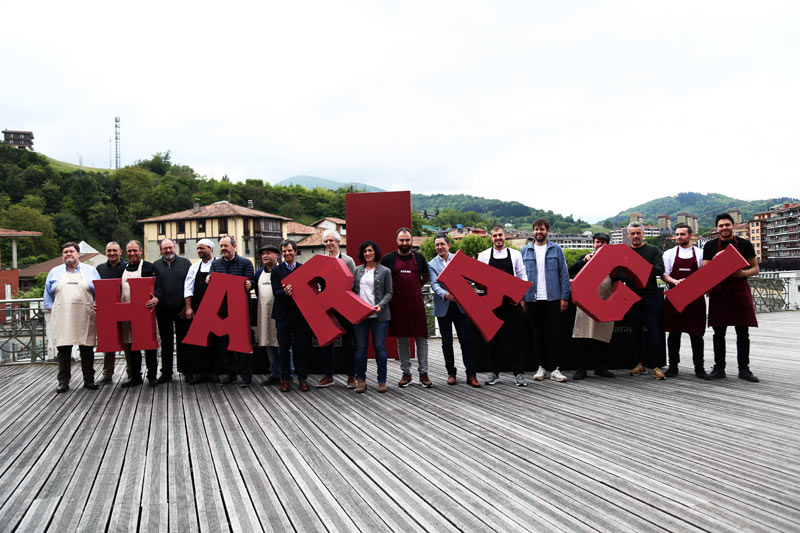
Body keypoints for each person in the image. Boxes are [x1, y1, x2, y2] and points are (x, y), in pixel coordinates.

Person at [702, 213, 760, 382]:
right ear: (717, 228)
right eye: (721, 226)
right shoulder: (710, 246)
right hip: (719, 292)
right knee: (718, 333)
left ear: (733, 225)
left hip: (739, 289)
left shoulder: (745, 244)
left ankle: (744, 369)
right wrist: (716, 260)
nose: (724, 228)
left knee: (743, 332)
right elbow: (705, 271)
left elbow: (756, 269)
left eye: (727, 224)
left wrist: (743, 273)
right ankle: (719, 368)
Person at [44, 242, 100, 393]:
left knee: (87, 349)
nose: (68, 254)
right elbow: (48, 298)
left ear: (78, 254)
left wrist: (97, 303)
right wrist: (53, 311)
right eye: (65, 252)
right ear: (62, 255)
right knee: (63, 350)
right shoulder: (54, 272)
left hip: (86, 315)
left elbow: (100, 293)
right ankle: (63, 381)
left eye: (71, 251)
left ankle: (89, 380)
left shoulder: (91, 271)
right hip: (63, 316)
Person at [477, 225, 529, 386]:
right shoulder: (484, 256)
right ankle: (494, 372)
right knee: (493, 339)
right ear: (491, 238)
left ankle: (519, 373)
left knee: (516, 339)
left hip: (512, 303)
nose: (498, 238)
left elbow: (522, 276)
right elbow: (479, 280)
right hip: (492, 304)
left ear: (505, 236)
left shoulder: (515, 254)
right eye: (495, 236)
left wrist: (520, 297)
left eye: (500, 235)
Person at [521, 218, 571, 383]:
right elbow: (519, 277)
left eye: (541, 229)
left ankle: (555, 368)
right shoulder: (525, 251)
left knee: (555, 334)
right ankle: (542, 367)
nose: (538, 232)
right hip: (532, 299)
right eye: (536, 229)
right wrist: (522, 298)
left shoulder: (556, 250)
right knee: (538, 334)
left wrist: (564, 297)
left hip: (553, 298)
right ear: (533, 231)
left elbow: (564, 274)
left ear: (547, 231)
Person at [380, 227, 431, 388]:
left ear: (412, 241)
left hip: (416, 304)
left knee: (421, 340)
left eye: (407, 240)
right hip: (397, 305)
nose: (404, 243)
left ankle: (424, 373)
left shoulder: (420, 258)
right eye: (401, 240)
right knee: (402, 340)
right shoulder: (388, 259)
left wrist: (415, 287)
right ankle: (406, 373)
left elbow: (426, 276)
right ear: (396, 241)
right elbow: (382, 279)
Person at [428, 234, 480, 387]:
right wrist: (445, 295)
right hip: (444, 305)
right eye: (437, 245)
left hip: (460, 306)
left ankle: (471, 375)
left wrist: (466, 284)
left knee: (466, 340)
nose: (439, 247)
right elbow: (434, 284)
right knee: (446, 342)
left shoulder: (458, 260)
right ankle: (451, 373)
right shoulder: (431, 264)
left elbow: (469, 278)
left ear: (449, 245)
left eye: (442, 244)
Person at [621, 223, 666, 380]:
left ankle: (656, 366)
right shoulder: (625, 253)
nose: (635, 236)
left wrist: (640, 267)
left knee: (654, 331)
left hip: (651, 296)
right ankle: (640, 364)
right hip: (632, 296)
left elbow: (660, 270)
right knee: (636, 332)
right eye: (632, 233)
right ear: (628, 235)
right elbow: (620, 274)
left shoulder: (653, 250)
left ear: (643, 233)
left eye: (638, 233)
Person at [661, 224, 707, 378]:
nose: (679, 237)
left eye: (682, 234)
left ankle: (699, 367)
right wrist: (675, 281)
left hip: (695, 299)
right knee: (673, 334)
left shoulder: (700, 253)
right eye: (677, 234)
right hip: (675, 297)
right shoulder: (669, 254)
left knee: (696, 334)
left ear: (691, 236)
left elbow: (705, 275)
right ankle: (673, 366)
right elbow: (664, 275)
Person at [569, 233, 616, 380]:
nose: (600, 244)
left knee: (602, 337)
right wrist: (584, 261)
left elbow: (622, 277)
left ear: (607, 245)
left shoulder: (614, 262)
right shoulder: (585, 257)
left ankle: (600, 367)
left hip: (605, 302)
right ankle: (581, 368)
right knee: (582, 336)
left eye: (603, 242)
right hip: (585, 304)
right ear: (593, 244)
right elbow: (571, 270)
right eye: (597, 242)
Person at [209, 235, 255, 386]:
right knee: (225, 345)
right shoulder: (215, 265)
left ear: (234, 246)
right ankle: (231, 374)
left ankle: (246, 377)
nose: (223, 249)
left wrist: (250, 284)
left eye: (226, 246)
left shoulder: (246, 263)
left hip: (240, 310)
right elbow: (212, 284)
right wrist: (209, 280)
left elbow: (251, 281)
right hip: (222, 311)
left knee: (243, 345)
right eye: (221, 246)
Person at [317, 229, 357, 389]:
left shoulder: (348, 261)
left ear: (338, 242)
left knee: (349, 343)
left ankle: (351, 376)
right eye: (326, 241)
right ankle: (328, 375)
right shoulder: (320, 261)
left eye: (331, 241)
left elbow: (354, 283)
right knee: (327, 342)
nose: (328, 244)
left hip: (344, 307)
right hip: (327, 307)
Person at [271, 239, 313, 392]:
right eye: (284, 251)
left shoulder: (303, 269)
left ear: (295, 251)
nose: (287, 253)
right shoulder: (276, 270)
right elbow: (276, 292)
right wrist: (285, 292)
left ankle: (302, 378)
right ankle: (285, 380)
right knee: (283, 349)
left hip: (300, 315)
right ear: (281, 253)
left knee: (301, 348)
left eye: (290, 250)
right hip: (283, 315)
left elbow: (309, 291)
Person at [352, 241, 393, 393]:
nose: (367, 253)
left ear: (375, 252)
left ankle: (381, 380)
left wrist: (380, 305)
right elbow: (352, 291)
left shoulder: (385, 271)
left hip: (379, 316)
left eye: (370, 251)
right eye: (365, 251)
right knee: (361, 349)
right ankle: (361, 380)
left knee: (379, 347)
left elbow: (389, 292)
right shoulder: (357, 271)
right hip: (360, 317)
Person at [120, 240, 160, 388]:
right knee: (132, 347)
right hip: (127, 313)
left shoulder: (149, 267)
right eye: (129, 251)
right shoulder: (122, 269)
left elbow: (159, 286)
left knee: (149, 347)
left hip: (145, 312)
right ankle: (135, 376)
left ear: (141, 251)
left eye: (134, 251)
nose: (132, 254)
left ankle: (152, 376)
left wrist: (157, 298)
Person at [152, 238, 192, 383]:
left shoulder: (185, 263)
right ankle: (166, 373)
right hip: (163, 311)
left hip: (181, 309)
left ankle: (187, 370)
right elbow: (156, 287)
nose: (168, 250)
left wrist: (187, 306)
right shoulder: (155, 266)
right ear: (161, 250)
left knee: (184, 342)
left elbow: (190, 286)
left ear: (174, 247)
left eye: (170, 247)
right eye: (164, 248)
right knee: (166, 343)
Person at [183, 239, 216, 384]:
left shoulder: (219, 264)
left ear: (210, 248)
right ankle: (200, 372)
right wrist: (188, 307)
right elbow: (188, 288)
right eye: (198, 249)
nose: (200, 251)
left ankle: (214, 371)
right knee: (198, 343)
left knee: (215, 342)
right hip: (197, 307)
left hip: (215, 308)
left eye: (202, 248)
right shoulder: (194, 267)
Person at [95, 241, 126, 384]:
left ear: (120, 252)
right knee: (108, 344)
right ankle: (107, 374)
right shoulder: (99, 269)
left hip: (125, 308)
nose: (112, 253)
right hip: (107, 311)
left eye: (115, 250)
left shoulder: (127, 267)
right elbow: (95, 289)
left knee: (128, 341)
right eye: (109, 251)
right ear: (105, 252)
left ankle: (131, 372)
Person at [253, 244, 282, 386]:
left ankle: (287, 373)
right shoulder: (258, 274)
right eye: (263, 253)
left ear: (276, 255)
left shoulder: (282, 271)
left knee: (283, 345)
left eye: (268, 253)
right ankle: (274, 374)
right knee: (268, 343)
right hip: (264, 313)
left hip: (280, 313)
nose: (265, 256)